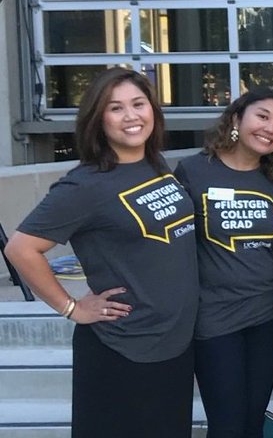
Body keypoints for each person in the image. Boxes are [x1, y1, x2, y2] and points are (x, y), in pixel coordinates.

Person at [4, 68, 198, 437]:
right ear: (98, 118)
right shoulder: (86, 184)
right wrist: (72, 307)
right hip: (123, 348)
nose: (131, 116)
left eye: (139, 104)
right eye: (116, 108)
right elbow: (21, 247)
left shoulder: (156, 165)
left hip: (174, 345)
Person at [175, 88, 273, 438]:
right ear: (236, 119)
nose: (271, 128)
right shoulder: (193, 171)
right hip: (214, 320)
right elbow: (174, 245)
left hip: (265, 317)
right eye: (262, 116)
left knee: (252, 421)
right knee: (227, 424)